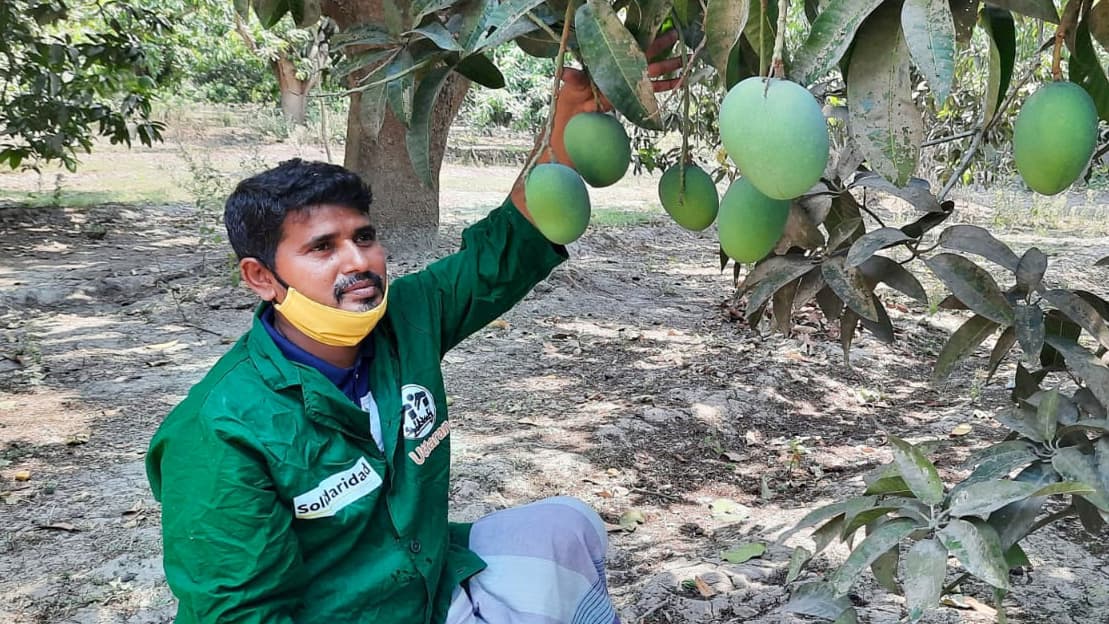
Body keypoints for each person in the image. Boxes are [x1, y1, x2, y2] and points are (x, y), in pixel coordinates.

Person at [145, 34, 681, 624]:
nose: (357, 262)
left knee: (564, 526)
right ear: (262, 276)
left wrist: (565, 129)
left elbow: (499, 255)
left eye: (364, 237)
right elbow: (239, 614)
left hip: (426, 584)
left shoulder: (404, 321)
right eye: (322, 248)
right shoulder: (219, 433)